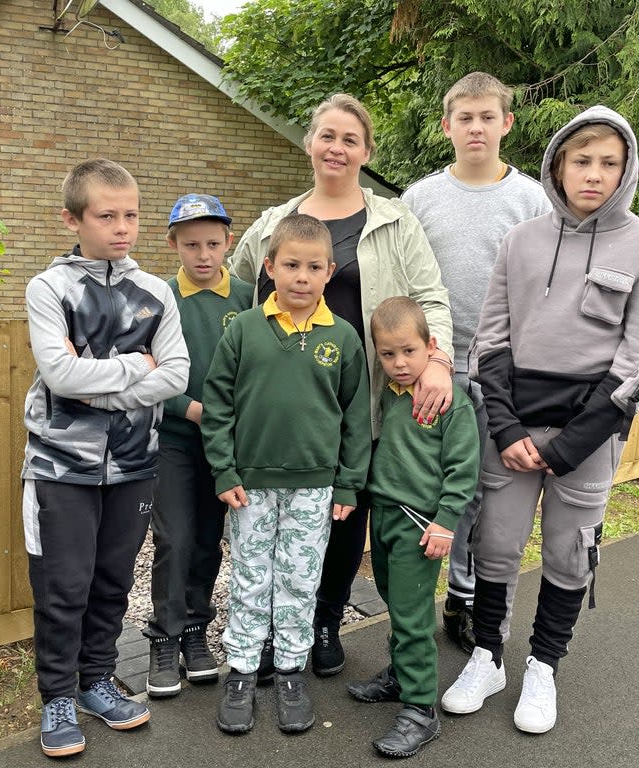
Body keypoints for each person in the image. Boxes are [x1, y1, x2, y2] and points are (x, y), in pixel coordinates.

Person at [440, 106, 639, 734]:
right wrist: (508, 432)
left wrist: (569, 445)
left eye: (608, 163)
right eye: (581, 161)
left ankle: (544, 664)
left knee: (570, 553)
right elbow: (487, 342)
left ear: (626, 171)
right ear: (558, 166)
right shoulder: (522, 240)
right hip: (511, 430)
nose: (593, 175)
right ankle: (487, 655)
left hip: (588, 436)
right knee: (495, 544)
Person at [230, 93, 453, 677]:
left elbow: (430, 296)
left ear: (365, 152)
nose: (337, 147)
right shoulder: (273, 224)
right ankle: (276, 629)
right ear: (310, 142)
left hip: (362, 399)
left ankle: (324, 619)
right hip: (284, 408)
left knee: (342, 513)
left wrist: (438, 360)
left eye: (350, 139)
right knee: (273, 522)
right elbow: (232, 291)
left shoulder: (393, 220)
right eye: (328, 135)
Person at [21, 159, 189, 757]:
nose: (122, 227)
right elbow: (58, 374)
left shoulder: (156, 292)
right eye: (106, 215)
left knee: (113, 583)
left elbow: (175, 375)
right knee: (64, 586)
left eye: (132, 214)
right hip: (59, 468)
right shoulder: (50, 288)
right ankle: (58, 696)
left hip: (135, 464)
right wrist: (133, 368)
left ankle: (96, 681)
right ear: (73, 218)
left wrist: (96, 380)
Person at [202, 214, 372, 734]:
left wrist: (347, 482)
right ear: (270, 267)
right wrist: (224, 469)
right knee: (252, 578)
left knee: (300, 581)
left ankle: (292, 670)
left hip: (315, 487)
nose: (301, 276)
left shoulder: (342, 338)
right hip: (249, 486)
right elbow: (217, 406)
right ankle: (243, 671)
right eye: (291, 265)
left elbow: (356, 417)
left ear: (330, 272)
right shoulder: (245, 330)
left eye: (313, 267)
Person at [402, 72, 552, 653]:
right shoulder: (420, 198)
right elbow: (408, 285)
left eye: (488, 117)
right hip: (432, 367)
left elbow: (540, 286)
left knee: (489, 489)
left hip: (501, 370)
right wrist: (426, 358)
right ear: (447, 126)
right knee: (435, 486)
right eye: (465, 118)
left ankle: (465, 598)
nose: (476, 127)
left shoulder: (530, 199)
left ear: (506, 123)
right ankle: (415, 602)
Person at [346, 297, 479, 758]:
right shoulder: (385, 396)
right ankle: (401, 674)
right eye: (387, 354)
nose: (399, 363)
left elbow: (463, 471)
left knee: (412, 615)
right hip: (382, 517)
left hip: (420, 528)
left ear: (431, 347)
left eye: (408, 351)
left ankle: (421, 708)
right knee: (393, 599)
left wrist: (445, 524)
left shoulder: (447, 404)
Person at [144, 194, 254, 698]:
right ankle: (163, 639)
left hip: (227, 446)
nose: (203, 254)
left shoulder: (250, 298)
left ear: (229, 241)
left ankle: (195, 631)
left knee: (210, 540)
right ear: (173, 245)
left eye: (213, 243)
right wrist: (191, 409)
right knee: (174, 538)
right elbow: (145, 373)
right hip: (176, 439)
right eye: (191, 245)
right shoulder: (158, 297)